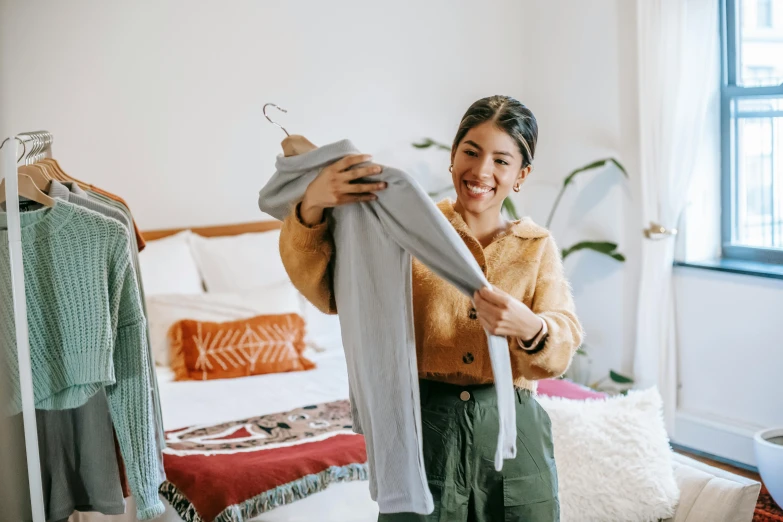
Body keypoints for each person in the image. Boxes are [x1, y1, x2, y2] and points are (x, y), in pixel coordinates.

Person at [278, 95, 583, 522]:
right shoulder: (406, 231)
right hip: (423, 430)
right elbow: (333, 292)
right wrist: (313, 205)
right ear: (452, 157)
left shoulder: (536, 247)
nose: (481, 171)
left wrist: (531, 328)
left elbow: (563, 337)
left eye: (501, 160)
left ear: (521, 175)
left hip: (516, 434)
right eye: (471, 153)